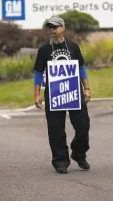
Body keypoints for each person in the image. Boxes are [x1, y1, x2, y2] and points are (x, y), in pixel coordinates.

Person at [33, 16, 91, 174]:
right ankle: (60, 160)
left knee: (83, 125)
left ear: (63, 28)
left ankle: (78, 153)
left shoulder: (73, 46)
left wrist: (86, 89)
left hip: (74, 92)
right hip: (53, 94)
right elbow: (38, 72)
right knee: (56, 128)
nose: (52, 30)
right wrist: (37, 94)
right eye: (50, 27)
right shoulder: (44, 49)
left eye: (55, 27)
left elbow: (81, 69)